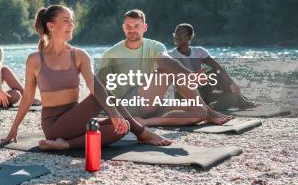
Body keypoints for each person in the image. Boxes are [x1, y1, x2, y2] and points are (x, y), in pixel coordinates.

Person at [2, 5, 171, 150]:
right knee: (102, 99)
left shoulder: (80, 55)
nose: (71, 24)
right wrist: (14, 128)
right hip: (54, 125)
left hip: (77, 119)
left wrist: (115, 116)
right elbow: (28, 97)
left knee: (122, 127)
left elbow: (94, 85)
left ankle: (66, 144)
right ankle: (142, 132)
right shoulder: (35, 59)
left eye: (72, 20)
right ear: (51, 25)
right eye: (66, 20)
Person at [99, 9, 233, 126]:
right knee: (168, 70)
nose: (132, 30)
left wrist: (188, 74)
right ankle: (211, 113)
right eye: (128, 26)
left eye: (136, 26)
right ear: (123, 27)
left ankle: (146, 122)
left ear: (144, 27)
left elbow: (166, 61)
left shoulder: (155, 46)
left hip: (153, 102)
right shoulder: (111, 53)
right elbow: (99, 87)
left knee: (199, 113)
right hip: (128, 104)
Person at [169, 23, 256, 109]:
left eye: (181, 34)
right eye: (176, 34)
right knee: (231, 99)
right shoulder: (170, 56)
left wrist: (232, 84)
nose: (178, 36)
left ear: (189, 37)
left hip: (203, 91)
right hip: (185, 94)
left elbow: (218, 67)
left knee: (217, 75)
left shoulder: (199, 51)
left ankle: (236, 99)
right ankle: (207, 108)